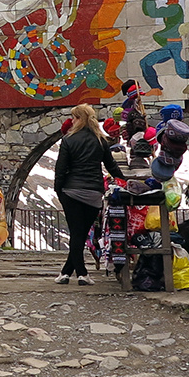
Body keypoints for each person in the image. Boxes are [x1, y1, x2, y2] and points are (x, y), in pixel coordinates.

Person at [53, 102, 126, 286]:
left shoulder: (69, 140)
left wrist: (58, 190)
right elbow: (111, 165)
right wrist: (124, 181)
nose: (72, 120)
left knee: (76, 234)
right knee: (81, 233)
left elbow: (60, 169)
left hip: (72, 191)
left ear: (79, 119)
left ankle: (82, 274)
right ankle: (65, 273)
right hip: (94, 192)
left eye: (74, 117)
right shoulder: (100, 140)